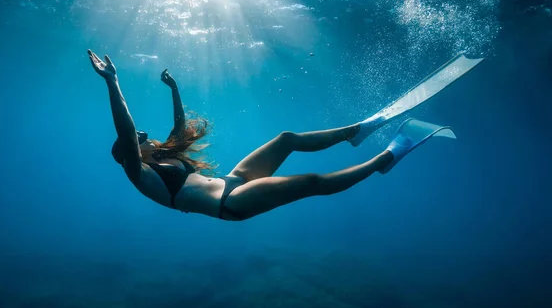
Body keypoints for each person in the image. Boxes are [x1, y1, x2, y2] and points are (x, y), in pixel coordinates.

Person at [88, 49, 448, 221]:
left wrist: (174, 89)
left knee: (286, 138)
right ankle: (384, 160)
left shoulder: (163, 156)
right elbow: (123, 125)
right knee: (309, 181)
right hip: (230, 203)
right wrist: (112, 81)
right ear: (132, 152)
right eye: (140, 137)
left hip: (233, 178)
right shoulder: (139, 174)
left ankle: (354, 132)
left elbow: (180, 129)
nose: (147, 137)